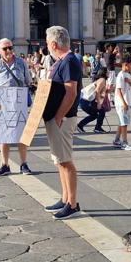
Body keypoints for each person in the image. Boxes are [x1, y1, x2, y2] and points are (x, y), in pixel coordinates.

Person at [42, 26, 83, 220]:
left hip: (63, 118)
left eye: (46, 42)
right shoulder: (62, 61)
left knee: (66, 161)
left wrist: (59, 116)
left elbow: (71, 92)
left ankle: (72, 204)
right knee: (59, 160)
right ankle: (65, 198)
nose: (46, 45)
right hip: (57, 117)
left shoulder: (69, 61)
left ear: (53, 44)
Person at [0, 38, 32, 172]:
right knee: (3, 134)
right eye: (5, 49)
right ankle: (5, 165)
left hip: (19, 104)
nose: (8, 50)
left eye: (10, 48)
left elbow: (28, 81)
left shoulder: (21, 63)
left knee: (22, 135)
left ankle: (24, 164)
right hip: (2, 104)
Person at [113, 55, 131, 150]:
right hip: (122, 103)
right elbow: (118, 90)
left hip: (127, 102)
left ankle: (116, 140)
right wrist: (123, 103)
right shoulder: (120, 75)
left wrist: (129, 82)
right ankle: (124, 143)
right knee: (124, 123)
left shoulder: (128, 75)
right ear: (126, 64)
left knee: (122, 122)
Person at [78, 67, 109, 133]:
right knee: (101, 111)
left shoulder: (101, 80)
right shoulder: (102, 80)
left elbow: (99, 93)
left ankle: (80, 125)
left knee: (95, 115)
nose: (109, 73)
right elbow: (97, 91)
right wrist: (98, 103)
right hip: (86, 101)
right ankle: (97, 128)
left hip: (84, 100)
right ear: (104, 73)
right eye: (108, 72)